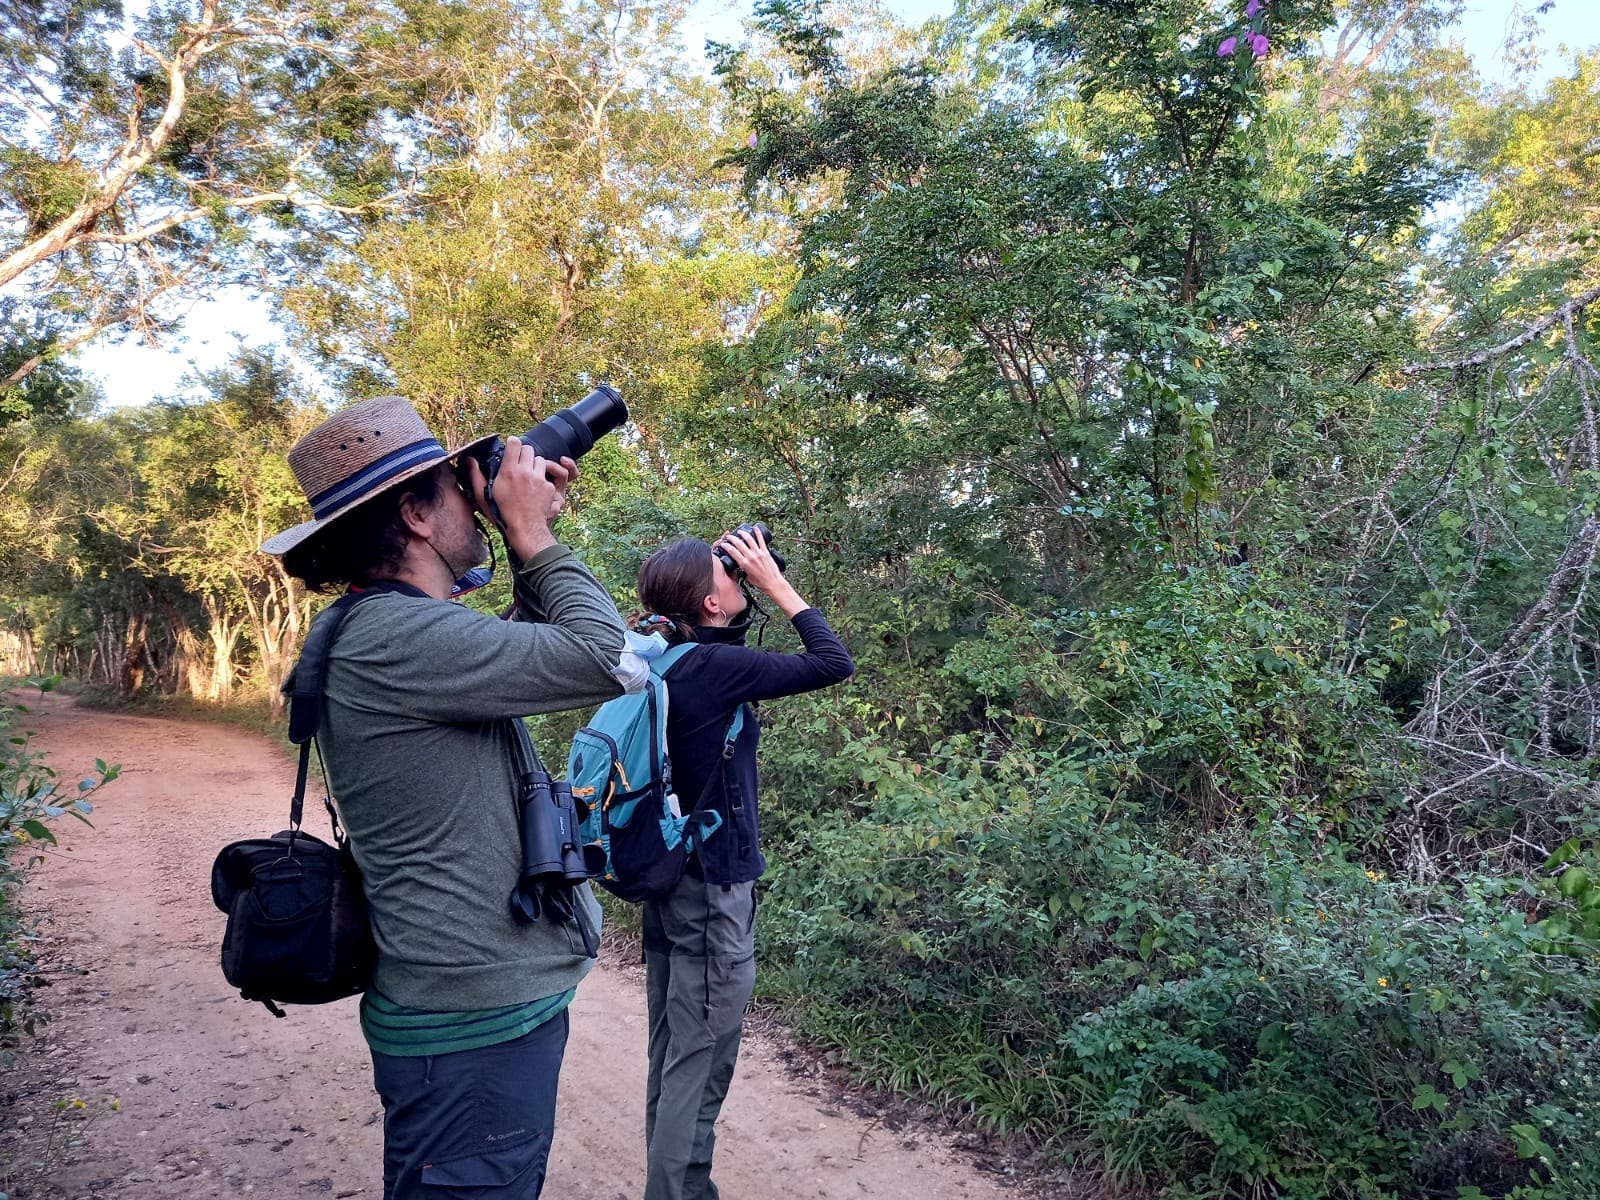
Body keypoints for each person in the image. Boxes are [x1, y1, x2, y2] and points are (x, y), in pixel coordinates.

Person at [262, 395, 645, 1200]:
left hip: (466, 1008)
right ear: (415, 514)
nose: (475, 499)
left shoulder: (388, 630)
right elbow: (600, 657)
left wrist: (516, 531)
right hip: (471, 1022)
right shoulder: (398, 638)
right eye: (453, 488)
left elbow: (530, 656)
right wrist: (532, 535)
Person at [631, 526, 855, 1200]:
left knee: (674, 1053)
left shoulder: (657, 658)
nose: (744, 576)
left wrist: (742, 585)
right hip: (710, 893)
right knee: (699, 1064)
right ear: (711, 604)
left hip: (670, 881)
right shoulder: (715, 668)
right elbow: (832, 661)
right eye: (731, 575)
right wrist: (777, 586)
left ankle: (673, 1185)